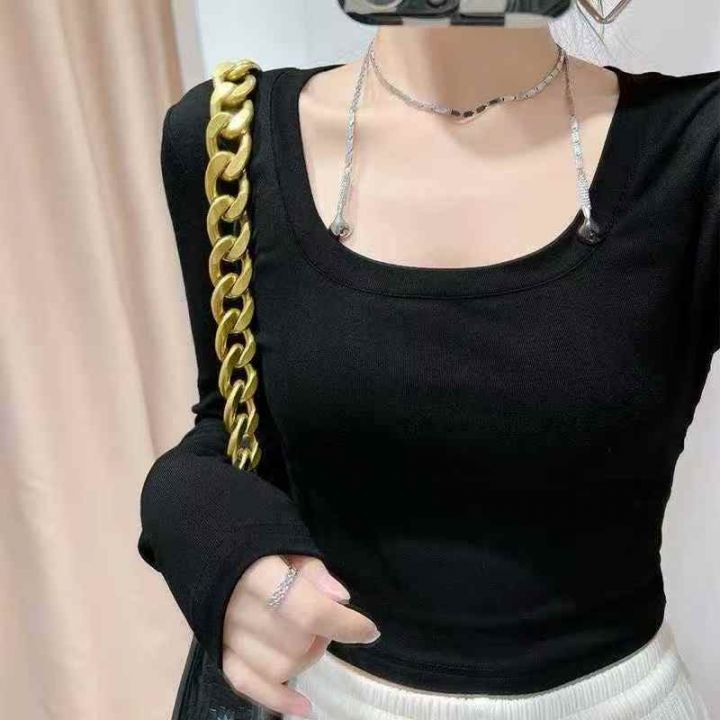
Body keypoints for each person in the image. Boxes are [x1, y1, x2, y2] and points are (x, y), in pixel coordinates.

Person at [137, 3, 719, 719]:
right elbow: (227, 426)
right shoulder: (229, 137)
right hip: (327, 701)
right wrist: (193, 519)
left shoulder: (695, 148)